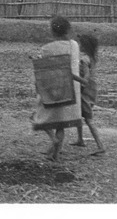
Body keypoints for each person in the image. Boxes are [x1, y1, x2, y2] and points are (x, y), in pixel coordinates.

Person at [31, 16, 82, 162]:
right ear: (68, 30)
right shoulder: (74, 45)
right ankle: (55, 155)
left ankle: (53, 139)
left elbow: (42, 70)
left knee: (38, 117)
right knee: (61, 124)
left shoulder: (46, 49)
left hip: (53, 89)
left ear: (52, 32)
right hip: (71, 91)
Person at [70, 33, 106, 155]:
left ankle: (100, 146)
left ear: (84, 46)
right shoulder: (92, 58)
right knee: (79, 113)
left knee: (88, 118)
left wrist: (72, 76)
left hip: (85, 90)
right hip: (91, 89)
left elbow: (85, 80)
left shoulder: (84, 60)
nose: (79, 46)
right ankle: (80, 139)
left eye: (81, 44)